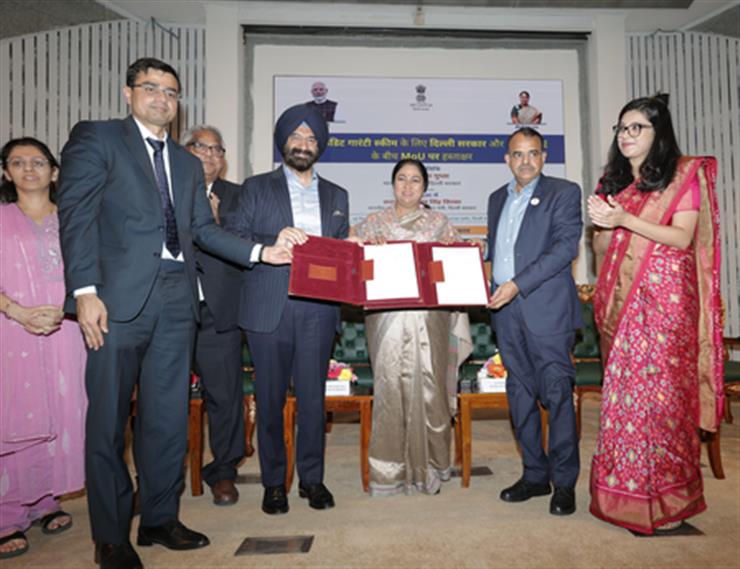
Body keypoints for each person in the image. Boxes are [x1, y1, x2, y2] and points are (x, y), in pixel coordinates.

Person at [56, 58, 291, 569]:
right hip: (114, 300)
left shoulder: (185, 164)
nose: (162, 98)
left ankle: (160, 519)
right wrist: (84, 291)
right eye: (151, 88)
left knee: (166, 419)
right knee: (109, 422)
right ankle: (111, 537)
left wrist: (261, 252)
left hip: (177, 299)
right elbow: (75, 215)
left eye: (171, 91)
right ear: (128, 93)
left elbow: (202, 231)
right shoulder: (98, 139)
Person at [587, 95, 724, 535]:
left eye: (636, 128)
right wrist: (604, 224)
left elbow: (682, 238)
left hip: (666, 306)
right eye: (621, 128)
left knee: (662, 402)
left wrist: (624, 219)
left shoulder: (681, 177)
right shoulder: (614, 183)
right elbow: (603, 250)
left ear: (658, 132)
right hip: (624, 306)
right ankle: (625, 497)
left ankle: (669, 502)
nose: (626, 136)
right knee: (626, 401)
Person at [224, 103, 348, 515]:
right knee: (270, 401)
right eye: (296, 136)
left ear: (320, 146)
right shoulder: (255, 187)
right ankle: (274, 483)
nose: (303, 144)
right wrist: (272, 241)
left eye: (311, 138)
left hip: (319, 310)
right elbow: (233, 236)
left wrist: (352, 252)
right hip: (269, 308)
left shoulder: (337, 195)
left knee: (313, 402)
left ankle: (312, 480)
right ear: (283, 142)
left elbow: (339, 251)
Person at [350, 159, 472, 496]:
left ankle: (432, 467)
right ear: (392, 185)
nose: (407, 186)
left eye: (415, 180)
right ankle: (388, 473)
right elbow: (350, 258)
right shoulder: (374, 223)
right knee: (389, 389)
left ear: (425, 187)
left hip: (430, 319)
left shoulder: (439, 223)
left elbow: (457, 264)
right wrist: (360, 245)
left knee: (431, 390)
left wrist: (464, 253)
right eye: (401, 179)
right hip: (386, 319)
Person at [486, 127, 582, 515]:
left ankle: (565, 482)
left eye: (533, 153)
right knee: (520, 395)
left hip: (548, 312)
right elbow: (498, 251)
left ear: (543, 156)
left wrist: (515, 285)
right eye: (517, 154)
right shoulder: (496, 198)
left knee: (557, 396)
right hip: (506, 314)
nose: (525, 161)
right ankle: (534, 475)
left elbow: (564, 249)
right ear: (507, 159)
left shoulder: (564, 192)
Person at [0, 138, 87, 560]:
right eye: (18, 162)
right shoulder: (1, 219)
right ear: (6, 172)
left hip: (66, 330)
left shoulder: (72, 220)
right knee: (17, 415)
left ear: (54, 172)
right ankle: (7, 513)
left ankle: (47, 500)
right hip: (11, 331)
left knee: (61, 411)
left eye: (38, 162)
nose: (28, 169)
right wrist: (16, 311)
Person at [182, 124, 245, 507]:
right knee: (161, 399)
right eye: (200, 147)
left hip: (218, 309)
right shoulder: (161, 190)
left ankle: (223, 470)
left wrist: (217, 224)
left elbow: (250, 245)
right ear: (183, 152)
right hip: (170, 308)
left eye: (217, 149)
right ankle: (156, 477)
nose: (210, 154)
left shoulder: (237, 195)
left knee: (225, 395)